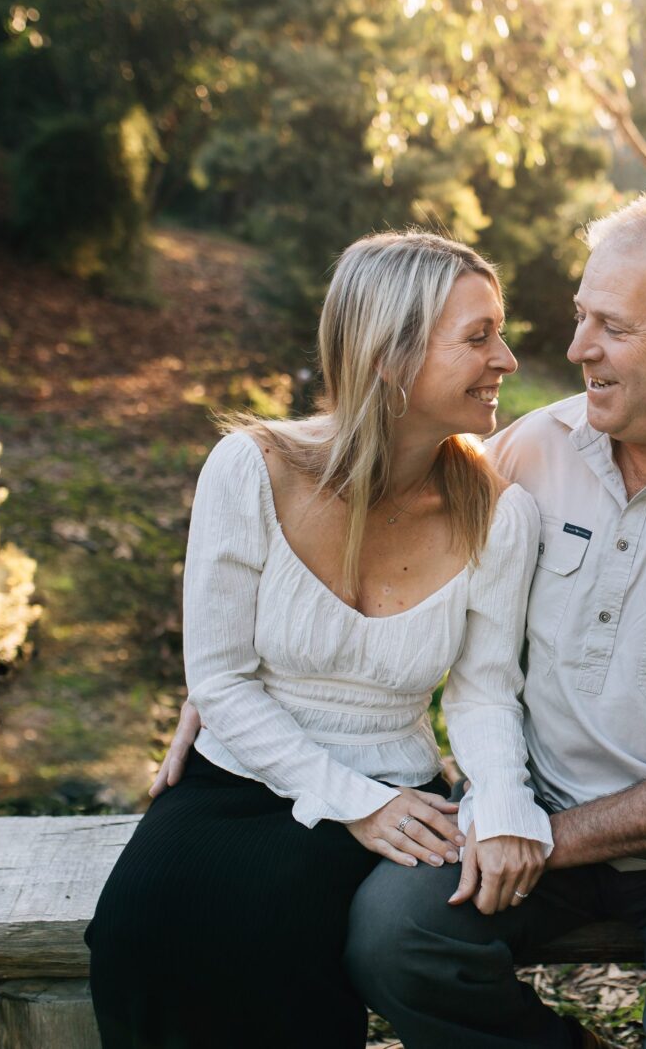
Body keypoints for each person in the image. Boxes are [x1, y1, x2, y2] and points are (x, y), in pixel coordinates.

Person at [163, 193, 646, 1048]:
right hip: (535, 809)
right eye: (581, 318)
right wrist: (226, 683)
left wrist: (537, 835)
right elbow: (367, 498)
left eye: (610, 327)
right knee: (395, 936)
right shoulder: (530, 452)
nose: (575, 349)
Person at [86, 231, 552, 1048]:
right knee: (137, 929)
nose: (506, 358)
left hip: (398, 795)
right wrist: (351, 802)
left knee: (277, 937)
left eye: (499, 332)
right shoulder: (249, 469)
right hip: (238, 777)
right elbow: (220, 682)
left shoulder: (498, 514)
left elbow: (483, 691)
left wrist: (497, 798)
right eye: (478, 336)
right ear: (388, 355)